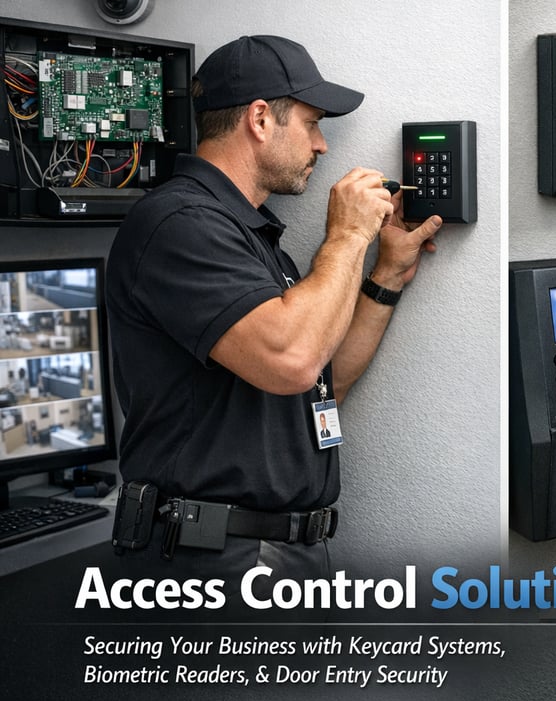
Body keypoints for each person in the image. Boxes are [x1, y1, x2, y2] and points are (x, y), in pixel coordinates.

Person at [105, 34, 442, 611]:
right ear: (261, 119)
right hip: (210, 563)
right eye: (312, 123)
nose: (322, 144)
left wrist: (384, 273)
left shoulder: (249, 234)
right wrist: (347, 235)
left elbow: (320, 380)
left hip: (273, 556)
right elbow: (293, 360)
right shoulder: (178, 224)